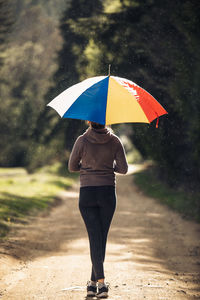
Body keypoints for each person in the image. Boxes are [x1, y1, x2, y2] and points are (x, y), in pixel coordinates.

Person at [68, 121, 128, 298]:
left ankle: (95, 284)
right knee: (100, 237)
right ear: (106, 121)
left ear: (89, 121)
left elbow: (72, 167)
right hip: (107, 193)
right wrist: (108, 168)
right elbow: (123, 169)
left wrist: (87, 168)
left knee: (96, 237)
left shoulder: (82, 140)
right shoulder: (115, 141)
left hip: (87, 193)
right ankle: (99, 283)